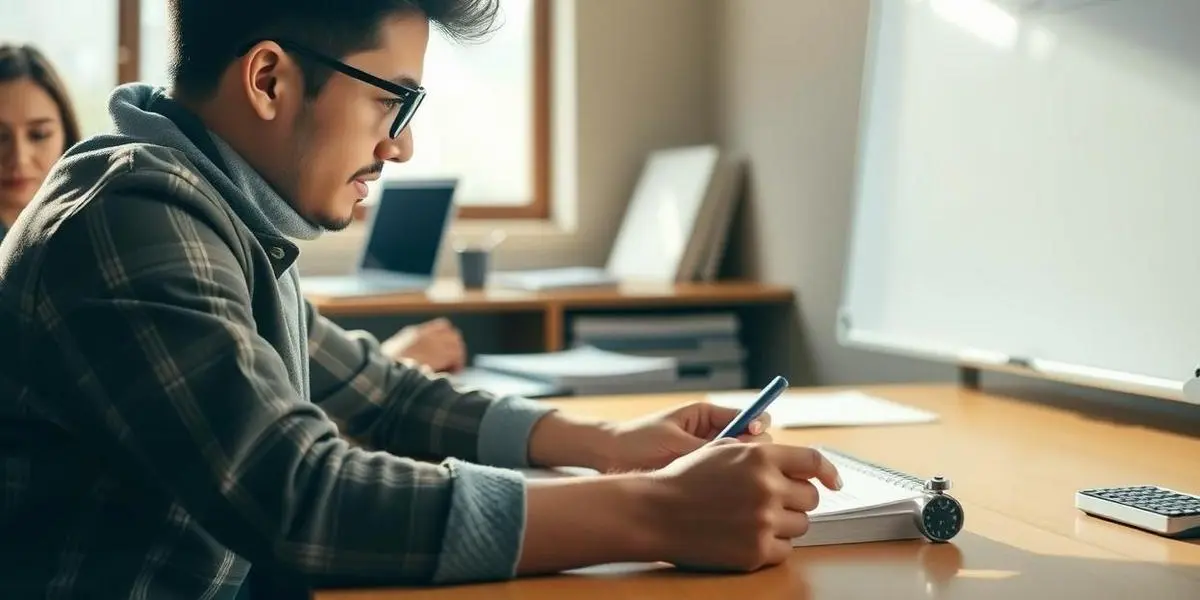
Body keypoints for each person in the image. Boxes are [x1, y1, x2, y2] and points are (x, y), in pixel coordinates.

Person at [0, 1, 841, 598]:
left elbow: (379, 391)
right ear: (268, 79)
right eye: (390, 98)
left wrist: (608, 442)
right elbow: (303, 497)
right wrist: (657, 513)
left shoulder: (218, 207)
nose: (401, 144)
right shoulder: (126, 222)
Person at [0, 44, 461, 372]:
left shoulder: (239, 220)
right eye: (388, 99)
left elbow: (339, 381)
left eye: (39, 134)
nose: (19, 159)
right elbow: (289, 475)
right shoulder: (134, 217)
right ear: (267, 81)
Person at [0, 44, 81, 239]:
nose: (20, 158)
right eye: (0, 137)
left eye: (39, 134)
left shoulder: (93, 225)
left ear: (66, 133)